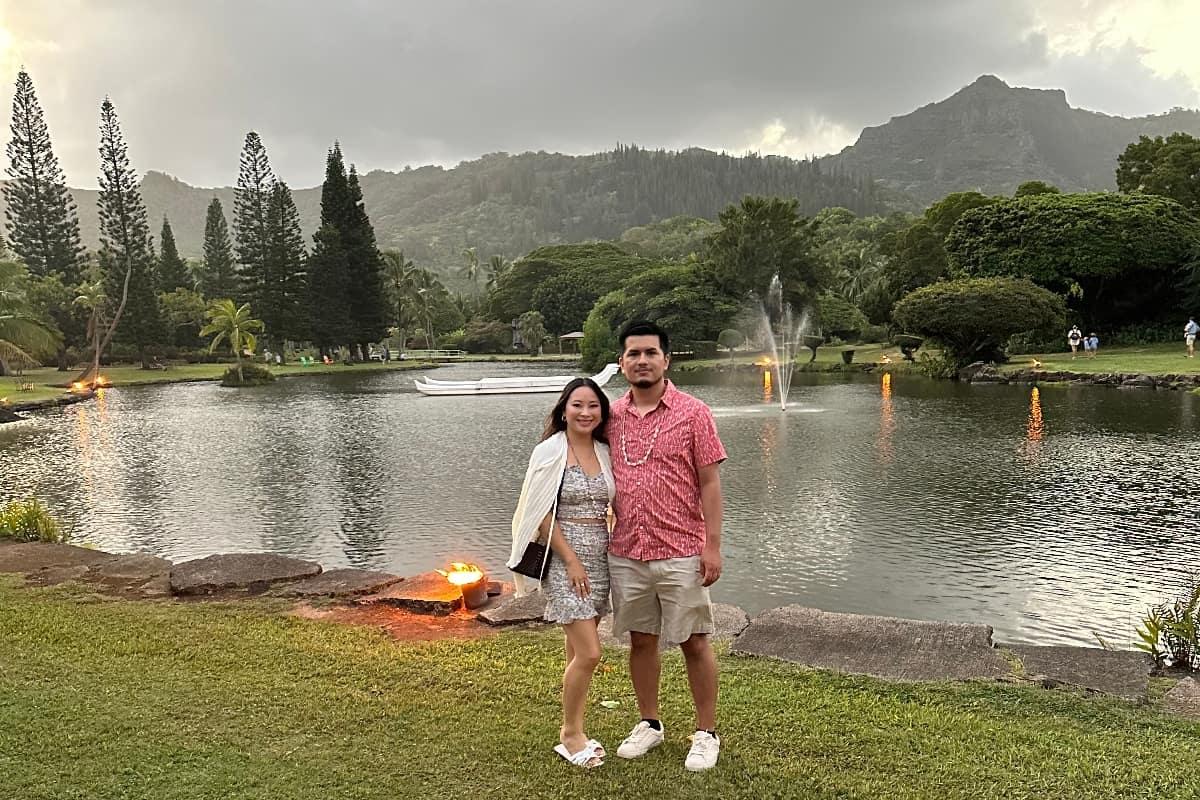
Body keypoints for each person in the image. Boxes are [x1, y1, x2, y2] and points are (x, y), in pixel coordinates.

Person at [607, 320, 727, 772]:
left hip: (681, 548)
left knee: (695, 642)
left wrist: (712, 546)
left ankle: (705, 732)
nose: (641, 361)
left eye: (650, 353)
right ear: (622, 363)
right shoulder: (610, 417)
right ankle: (649, 724)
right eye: (633, 353)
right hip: (627, 550)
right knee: (641, 641)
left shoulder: (694, 412)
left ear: (666, 359)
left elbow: (710, 484)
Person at [507, 377, 616, 769]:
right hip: (564, 560)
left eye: (593, 406)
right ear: (563, 409)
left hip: (601, 558)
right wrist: (570, 561)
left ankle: (578, 726)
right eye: (577, 405)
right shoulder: (549, 452)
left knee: (576, 650)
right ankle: (570, 735)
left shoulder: (606, 451)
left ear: (602, 412)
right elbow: (540, 515)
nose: (585, 413)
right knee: (590, 652)